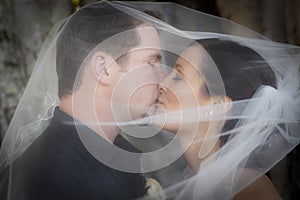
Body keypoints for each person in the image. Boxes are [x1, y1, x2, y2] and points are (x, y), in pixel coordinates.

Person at [0, 1, 163, 200]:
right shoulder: (48, 179)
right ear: (103, 68)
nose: (163, 80)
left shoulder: (122, 153)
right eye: (151, 63)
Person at [154, 38, 294, 199]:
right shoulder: (187, 181)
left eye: (178, 77)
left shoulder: (250, 188)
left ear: (218, 105)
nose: (162, 83)